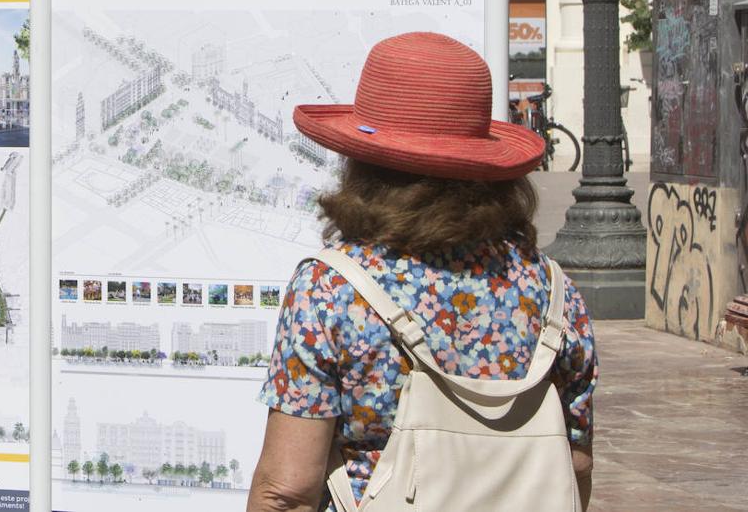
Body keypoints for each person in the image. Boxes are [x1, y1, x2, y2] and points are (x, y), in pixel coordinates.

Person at [247, 32, 597, 512]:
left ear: (363, 167)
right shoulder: (552, 290)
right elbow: (574, 465)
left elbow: (286, 492)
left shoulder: (331, 291)